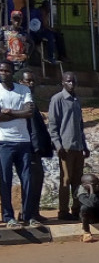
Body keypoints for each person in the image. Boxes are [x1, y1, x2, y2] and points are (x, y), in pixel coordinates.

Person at [47, 71, 89, 222]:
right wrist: (57, 145)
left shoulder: (76, 99)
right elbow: (53, 125)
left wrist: (85, 145)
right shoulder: (57, 99)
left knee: (78, 180)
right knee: (66, 179)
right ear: (63, 83)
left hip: (78, 147)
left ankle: (77, 208)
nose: (71, 84)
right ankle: (63, 211)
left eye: (73, 82)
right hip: (65, 147)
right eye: (68, 81)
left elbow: (80, 125)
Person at [18, 69, 50, 226]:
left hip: (37, 149)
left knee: (38, 179)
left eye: (32, 81)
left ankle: (34, 212)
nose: (31, 84)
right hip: (27, 148)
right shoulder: (21, 101)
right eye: (27, 81)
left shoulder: (31, 101)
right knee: (30, 181)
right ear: (20, 83)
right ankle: (26, 213)